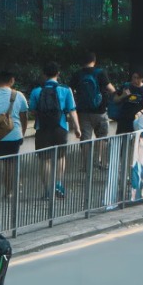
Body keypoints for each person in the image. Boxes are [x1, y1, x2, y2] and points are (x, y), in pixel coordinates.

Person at [31, 64, 80, 198]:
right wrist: (77, 128)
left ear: (44, 74)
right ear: (58, 73)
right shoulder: (65, 90)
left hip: (42, 128)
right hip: (61, 127)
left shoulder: (36, 91)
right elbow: (72, 111)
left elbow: (33, 110)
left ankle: (47, 189)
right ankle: (57, 184)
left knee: (44, 159)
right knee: (60, 157)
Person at [71, 52, 114, 142]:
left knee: (85, 140)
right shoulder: (100, 73)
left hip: (83, 112)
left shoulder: (77, 74)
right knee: (102, 139)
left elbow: (70, 92)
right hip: (100, 112)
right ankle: (99, 156)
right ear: (94, 60)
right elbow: (111, 89)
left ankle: (86, 156)